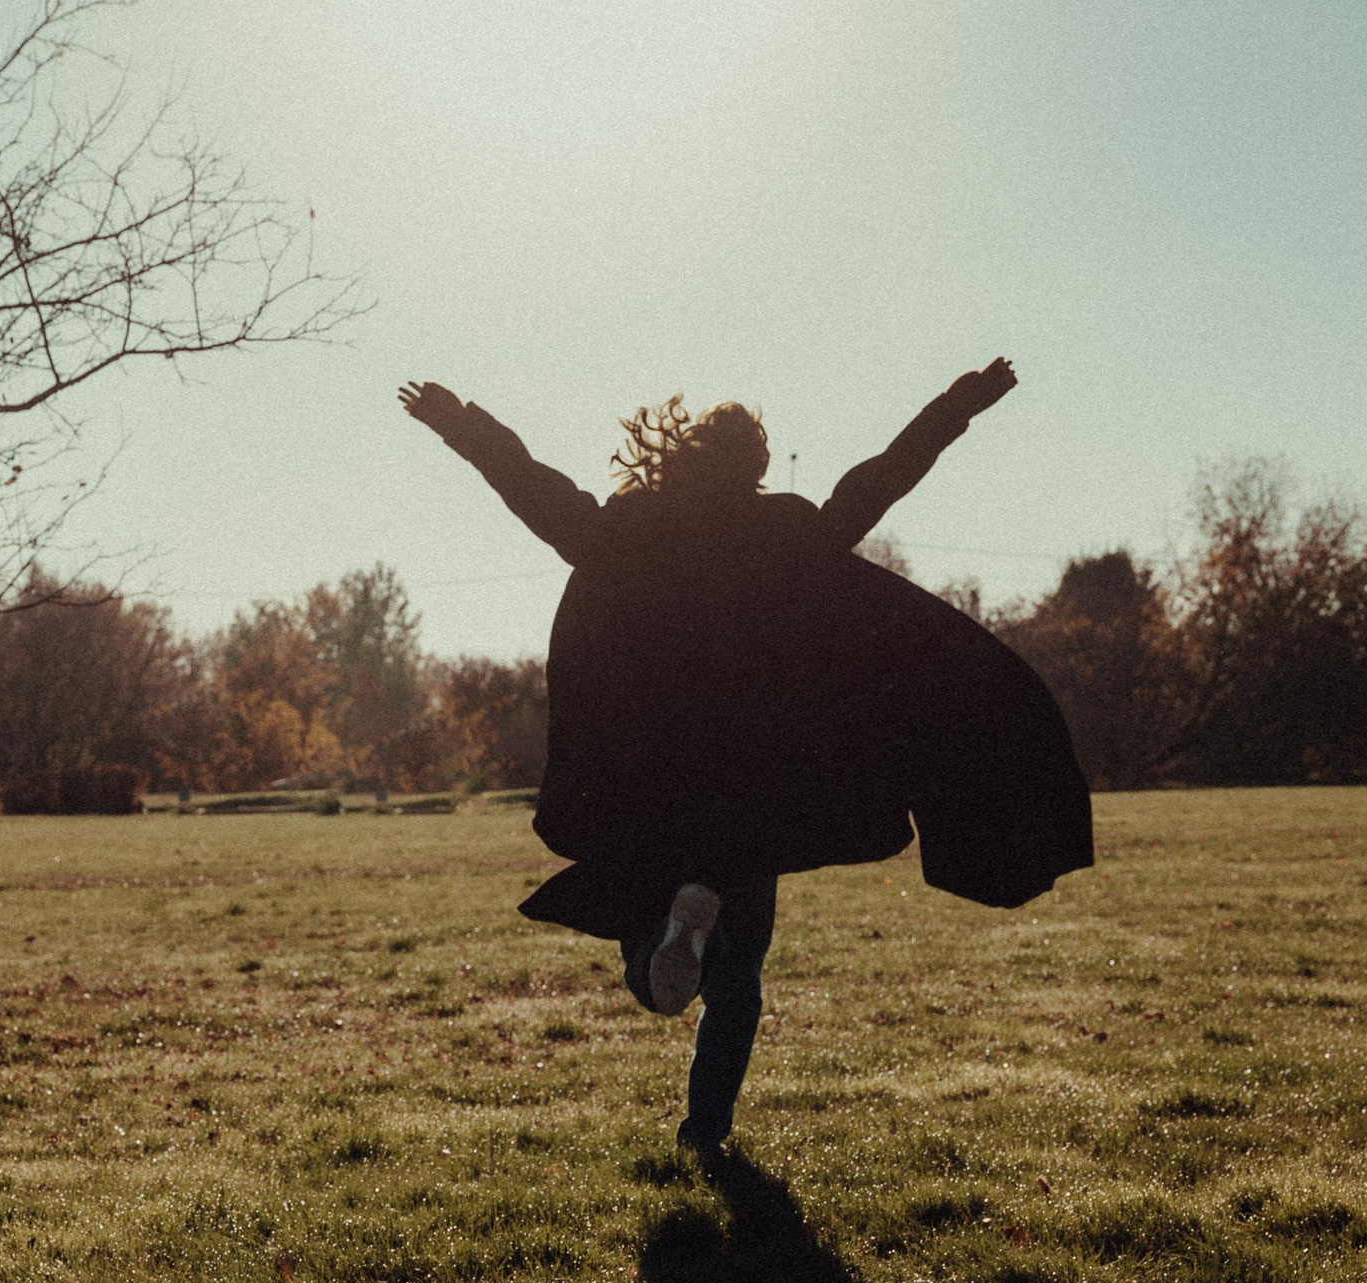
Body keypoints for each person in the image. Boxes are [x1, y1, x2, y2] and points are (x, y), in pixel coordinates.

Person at [400, 360, 1087, 1153]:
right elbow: (882, 479)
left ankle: (668, 930)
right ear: (757, 468)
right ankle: (706, 1132)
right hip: (757, 788)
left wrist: (459, 423)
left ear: (685, 454)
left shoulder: (625, 528)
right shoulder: (789, 531)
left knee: (644, 936)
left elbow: (535, 487)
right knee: (739, 977)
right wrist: (961, 401)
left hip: (648, 781)